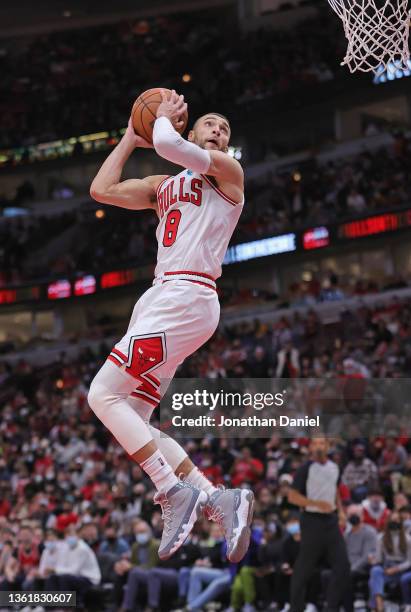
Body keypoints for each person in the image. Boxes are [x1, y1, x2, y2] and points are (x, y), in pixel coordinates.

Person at [88, 89, 254, 562]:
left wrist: (160, 123)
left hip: (187, 295)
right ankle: (217, 497)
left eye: (224, 129)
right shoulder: (164, 185)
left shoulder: (228, 174)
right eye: (210, 125)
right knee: (133, 416)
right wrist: (129, 136)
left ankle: (170, 488)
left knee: (101, 395)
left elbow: (168, 145)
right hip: (161, 298)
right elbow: (102, 190)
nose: (218, 132)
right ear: (193, 129)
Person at [288, 437, 350, 612]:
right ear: (310, 448)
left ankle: (331, 608)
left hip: (330, 521)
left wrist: (341, 511)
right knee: (304, 570)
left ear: (328, 446)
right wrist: (315, 503)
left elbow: (335, 490)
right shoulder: (305, 469)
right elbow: (292, 496)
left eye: (321, 443)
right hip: (311, 521)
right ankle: (296, 608)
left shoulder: (335, 467)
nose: (318, 446)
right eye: (314, 444)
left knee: (343, 566)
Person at [368, 511, 411, 612]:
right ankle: (379, 604)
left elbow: (410, 561)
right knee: (375, 570)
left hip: (402, 568)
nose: (394, 522)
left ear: (400, 522)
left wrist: (396, 569)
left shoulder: (408, 539)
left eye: (396, 520)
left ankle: (375, 607)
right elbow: (379, 559)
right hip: (387, 567)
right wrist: (372, 559)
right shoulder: (381, 538)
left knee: (372, 581)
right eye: (392, 520)